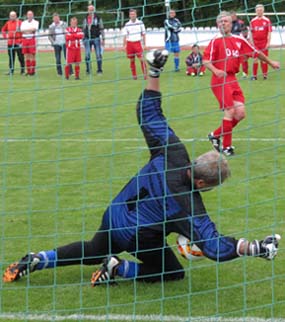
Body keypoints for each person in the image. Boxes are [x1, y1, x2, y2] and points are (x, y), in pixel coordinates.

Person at [2, 49, 281, 286]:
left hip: (115, 212)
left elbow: (149, 114)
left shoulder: (173, 152)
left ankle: (39, 258)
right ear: (202, 184)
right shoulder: (188, 205)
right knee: (172, 272)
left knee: (94, 248)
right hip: (135, 235)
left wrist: (154, 72)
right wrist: (255, 247)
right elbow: (213, 247)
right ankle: (119, 269)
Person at [203, 11, 279, 156]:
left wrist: (270, 63)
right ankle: (227, 147)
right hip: (220, 79)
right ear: (217, 24)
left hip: (232, 79)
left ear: (231, 24)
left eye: (226, 21)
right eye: (221, 22)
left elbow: (256, 53)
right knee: (230, 111)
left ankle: (215, 135)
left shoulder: (239, 40)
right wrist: (215, 70)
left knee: (241, 113)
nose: (223, 24)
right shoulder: (215, 41)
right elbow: (206, 60)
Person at [122, 8, 147, 80]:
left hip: (138, 43)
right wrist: (124, 45)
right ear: (129, 15)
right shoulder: (127, 24)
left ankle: (145, 74)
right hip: (130, 44)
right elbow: (125, 36)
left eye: (134, 14)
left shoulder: (140, 23)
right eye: (131, 14)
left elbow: (144, 34)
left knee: (142, 59)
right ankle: (134, 75)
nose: (132, 15)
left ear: (136, 15)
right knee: (132, 60)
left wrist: (145, 44)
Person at [250, 4, 272, 80]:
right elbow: (251, 33)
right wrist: (251, 43)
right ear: (255, 11)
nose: (259, 12)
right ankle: (254, 76)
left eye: (260, 10)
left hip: (264, 43)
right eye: (258, 10)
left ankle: (265, 75)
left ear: (263, 11)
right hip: (255, 43)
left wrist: (268, 43)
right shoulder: (253, 21)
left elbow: (269, 33)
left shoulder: (267, 20)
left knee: (264, 59)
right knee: (255, 59)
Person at [82, 5, 105, 75]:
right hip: (87, 38)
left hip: (96, 38)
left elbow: (101, 28)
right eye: (89, 10)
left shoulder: (98, 18)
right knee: (87, 55)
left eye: (92, 10)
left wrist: (103, 38)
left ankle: (99, 70)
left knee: (98, 54)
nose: (91, 11)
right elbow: (83, 29)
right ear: (88, 10)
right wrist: (83, 38)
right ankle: (88, 70)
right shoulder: (85, 18)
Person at [1, 11, 25, 75]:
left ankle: (22, 70)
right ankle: (11, 70)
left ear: (16, 16)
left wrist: (21, 40)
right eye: (11, 16)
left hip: (18, 42)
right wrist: (5, 36)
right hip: (10, 42)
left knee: (20, 56)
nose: (12, 17)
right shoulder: (8, 23)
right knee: (11, 57)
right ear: (9, 16)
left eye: (13, 15)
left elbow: (24, 31)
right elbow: (3, 29)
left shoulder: (20, 22)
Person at [20, 10, 39, 76]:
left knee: (32, 55)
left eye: (31, 14)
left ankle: (32, 71)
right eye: (28, 14)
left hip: (32, 39)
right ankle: (28, 71)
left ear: (33, 15)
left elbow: (34, 29)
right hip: (25, 39)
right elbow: (22, 30)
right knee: (26, 55)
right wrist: (29, 30)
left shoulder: (36, 22)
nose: (30, 16)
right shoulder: (23, 22)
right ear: (27, 15)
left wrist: (27, 30)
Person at [230, 11, 249, 78]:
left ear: (236, 16)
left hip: (240, 43)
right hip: (232, 43)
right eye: (231, 16)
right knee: (234, 57)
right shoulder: (229, 24)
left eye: (234, 16)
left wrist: (244, 38)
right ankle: (235, 71)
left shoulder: (240, 23)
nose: (233, 17)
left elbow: (245, 32)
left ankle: (245, 73)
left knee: (244, 57)